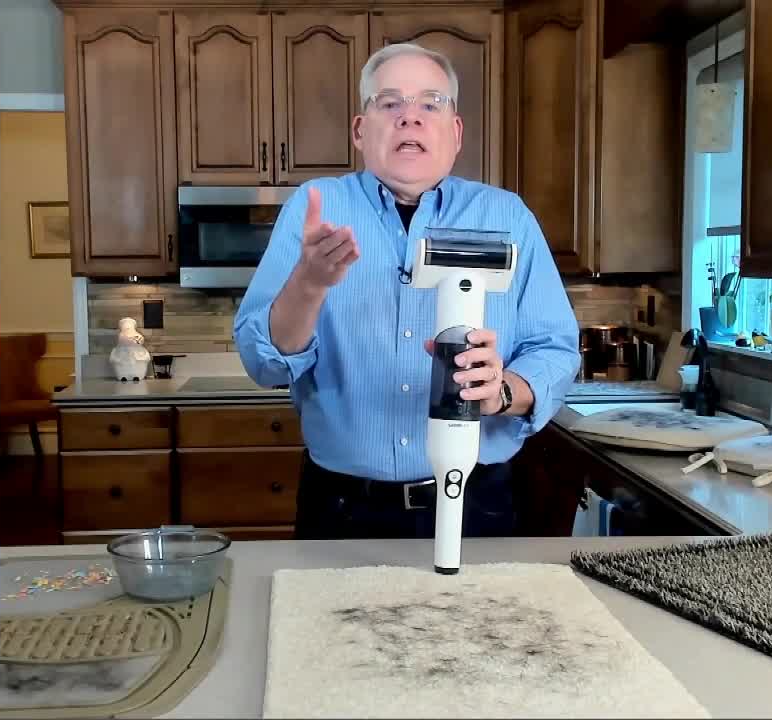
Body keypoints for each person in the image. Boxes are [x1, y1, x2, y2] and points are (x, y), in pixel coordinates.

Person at [233, 42, 580, 540]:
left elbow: (555, 349)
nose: (409, 117)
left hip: (478, 505)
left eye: (430, 104)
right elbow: (263, 365)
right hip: (342, 509)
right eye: (390, 102)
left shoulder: (508, 217)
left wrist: (502, 391)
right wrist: (307, 285)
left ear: (455, 132)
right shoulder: (314, 208)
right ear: (361, 130)